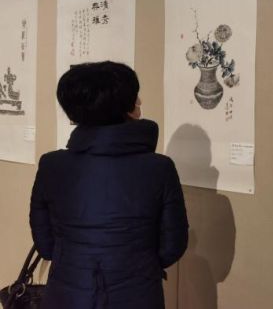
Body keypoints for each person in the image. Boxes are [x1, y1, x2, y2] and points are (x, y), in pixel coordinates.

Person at [29, 61, 189, 309]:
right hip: (138, 294)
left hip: (67, 294)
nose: (140, 101)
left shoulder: (51, 165)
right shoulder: (159, 168)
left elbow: (45, 245)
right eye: (135, 96)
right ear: (125, 106)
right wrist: (138, 265)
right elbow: (172, 246)